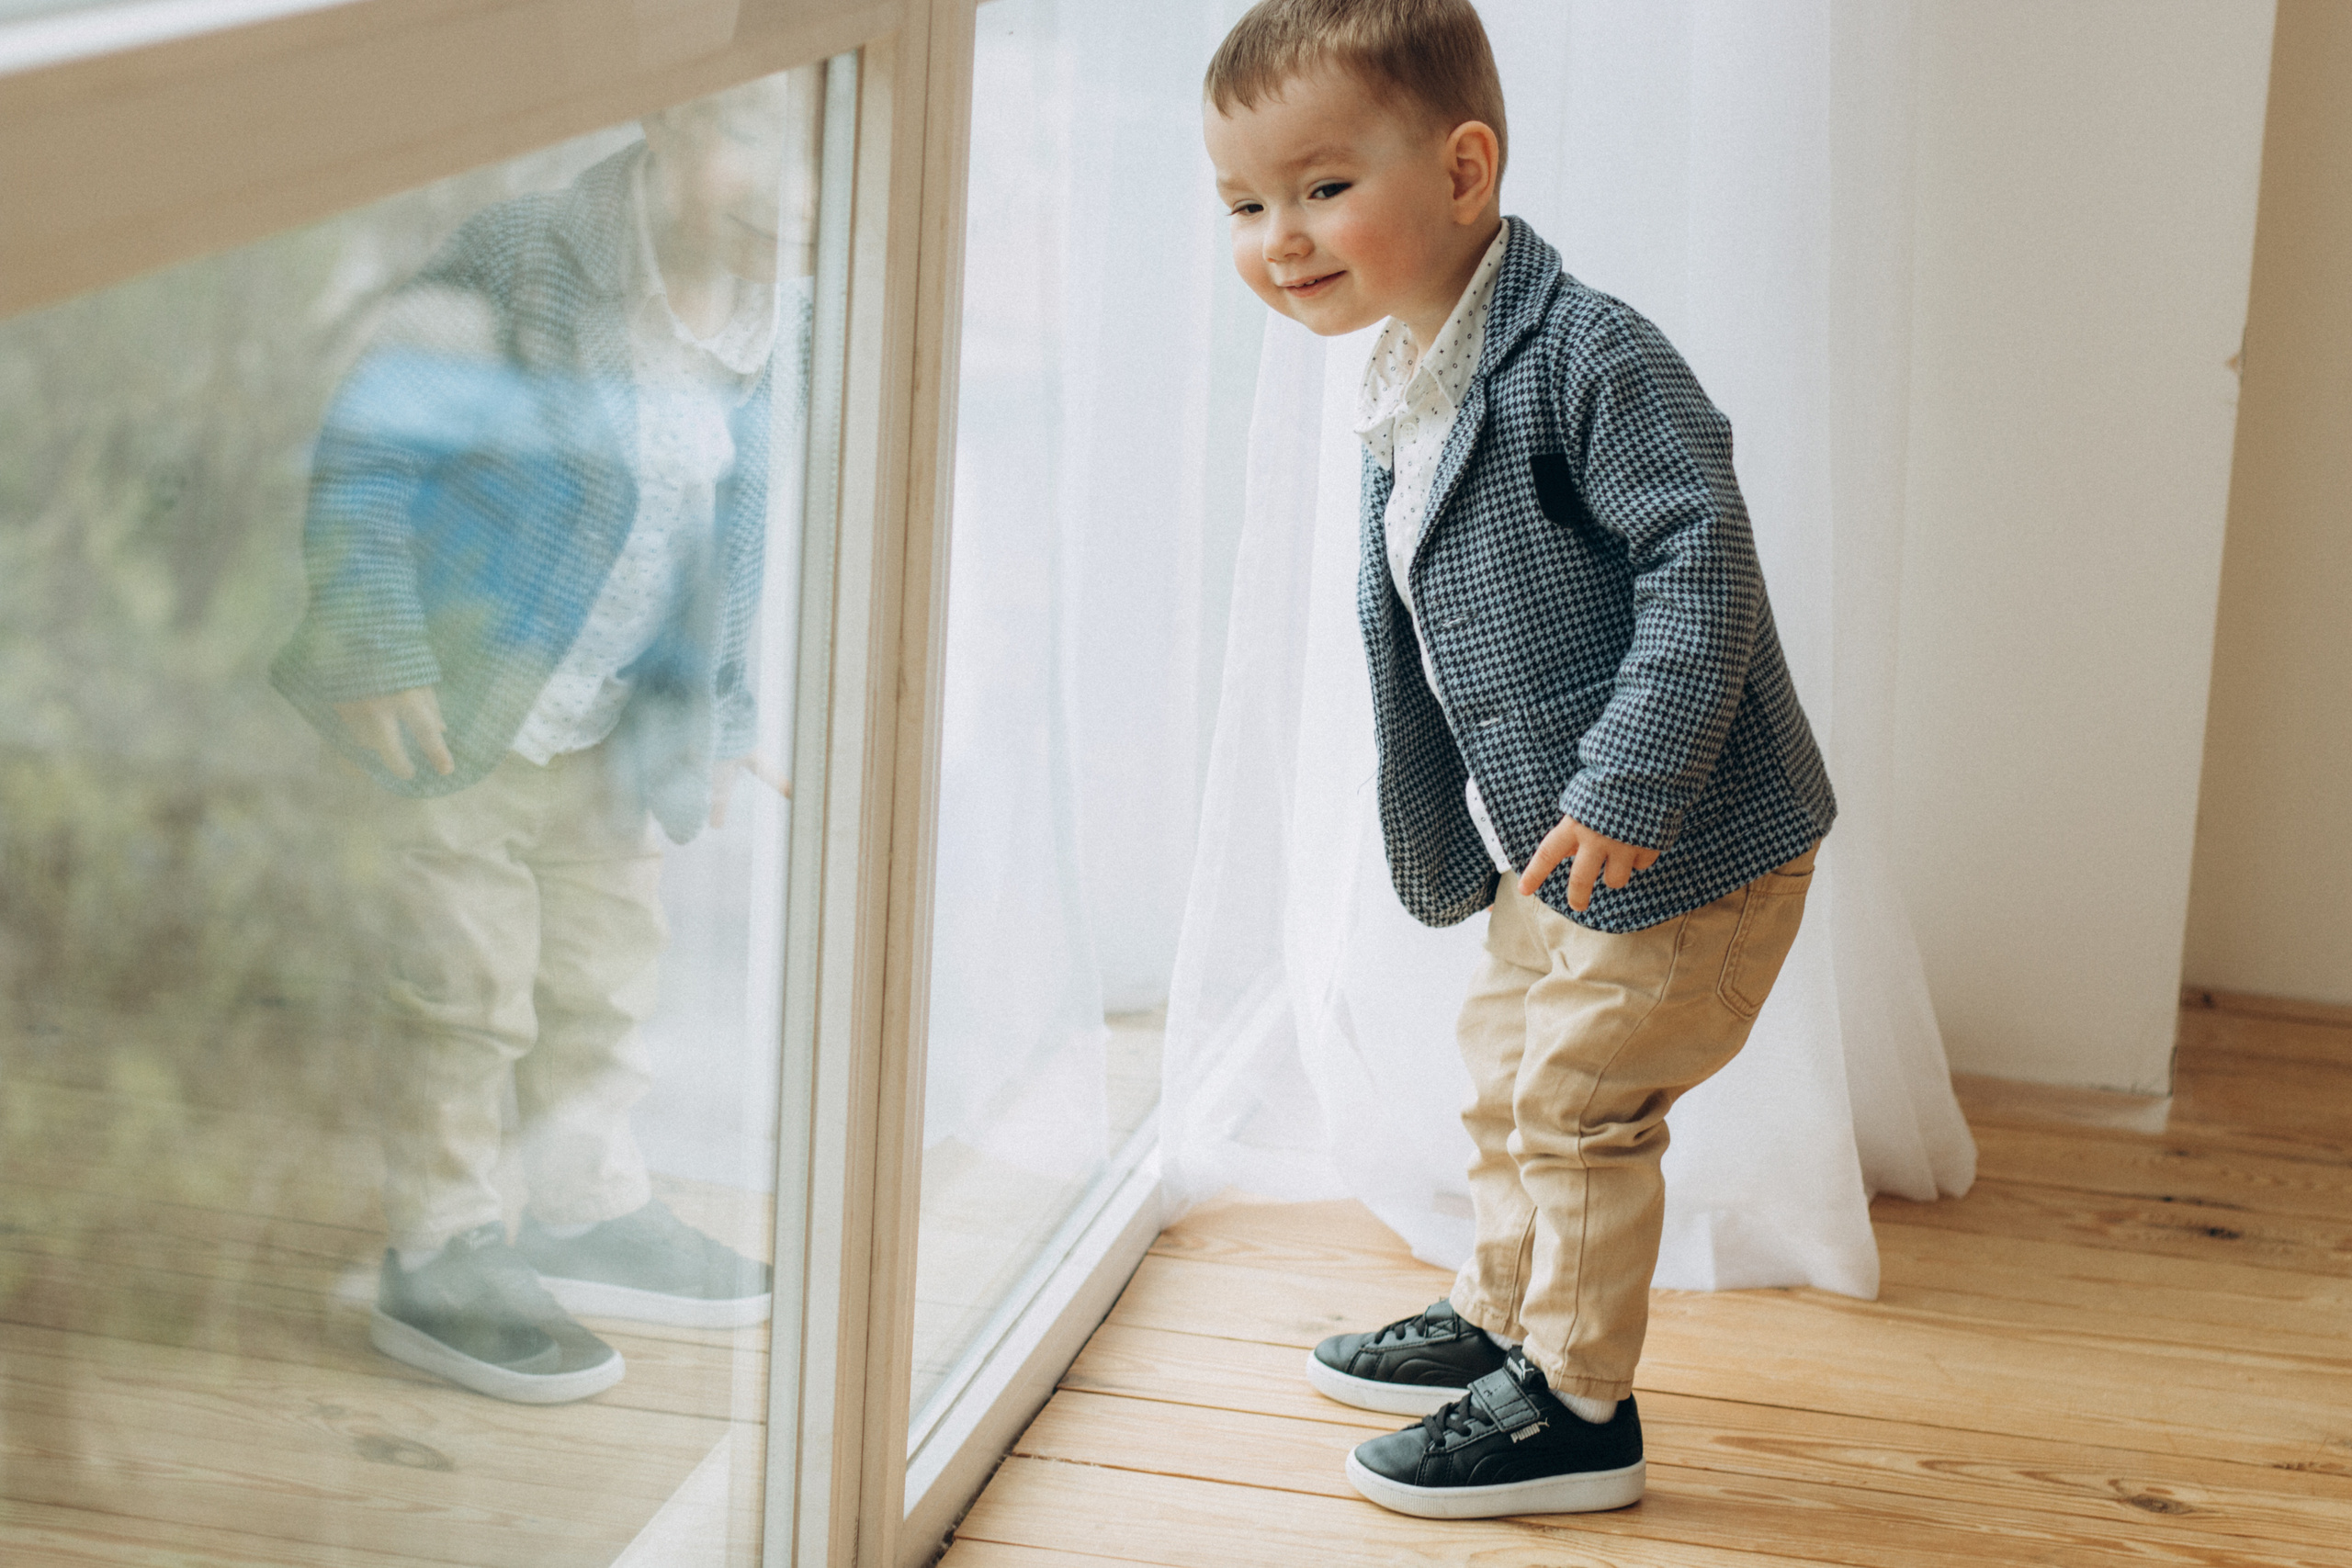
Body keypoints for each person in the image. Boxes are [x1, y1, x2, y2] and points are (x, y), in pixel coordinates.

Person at [1202, 0, 1837, 1519]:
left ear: (1466, 166)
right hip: (1562, 838)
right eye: (1244, 203)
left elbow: (1703, 562)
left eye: (1322, 187)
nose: (1279, 236)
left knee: (1579, 1106)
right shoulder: (1407, 381)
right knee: (1503, 1076)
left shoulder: (1587, 355)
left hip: (1693, 837)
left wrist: (1627, 784)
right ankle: (1502, 1318)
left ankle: (1576, 1405)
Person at [271, 74, 811, 1404]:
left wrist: (718, 710)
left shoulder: (774, 314)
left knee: (606, 974)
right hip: (464, 715)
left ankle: (584, 1201)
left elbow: (724, 541)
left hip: (609, 724)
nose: (791, 196)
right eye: (753, 144)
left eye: (820, 159)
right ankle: (445, 1244)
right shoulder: (528, 263)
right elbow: (369, 450)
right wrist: (376, 642)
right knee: (465, 991)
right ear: (670, 120)